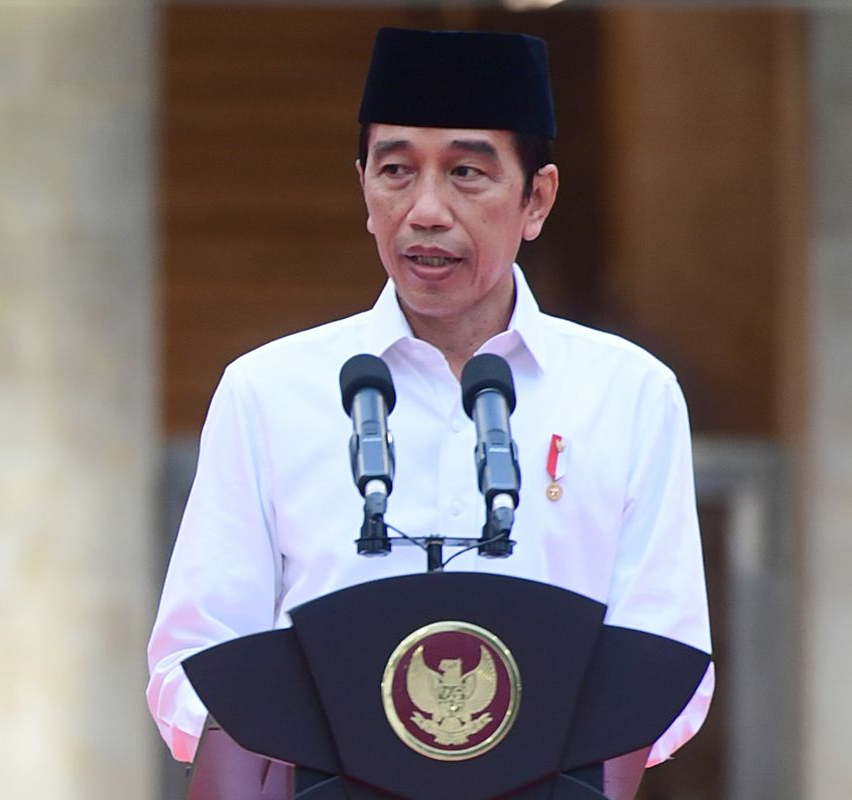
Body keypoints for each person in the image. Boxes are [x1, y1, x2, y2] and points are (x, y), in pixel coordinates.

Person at [147, 26, 713, 788]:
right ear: (364, 192)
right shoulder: (269, 391)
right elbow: (196, 653)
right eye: (396, 172)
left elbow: (664, 650)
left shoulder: (630, 393)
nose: (425, 210)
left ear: (536, 197)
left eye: (467, 173)